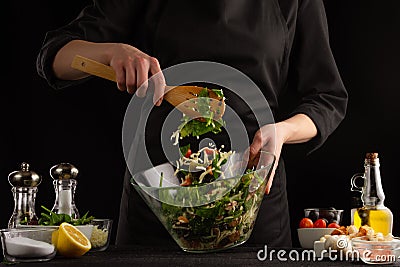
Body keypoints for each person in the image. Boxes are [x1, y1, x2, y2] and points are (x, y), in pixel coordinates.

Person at [37, 0, 348, 247]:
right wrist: (112, 52)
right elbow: (54, 57)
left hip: (251, 202)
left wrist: (282, 131)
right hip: (159, 203)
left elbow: (327, 98)